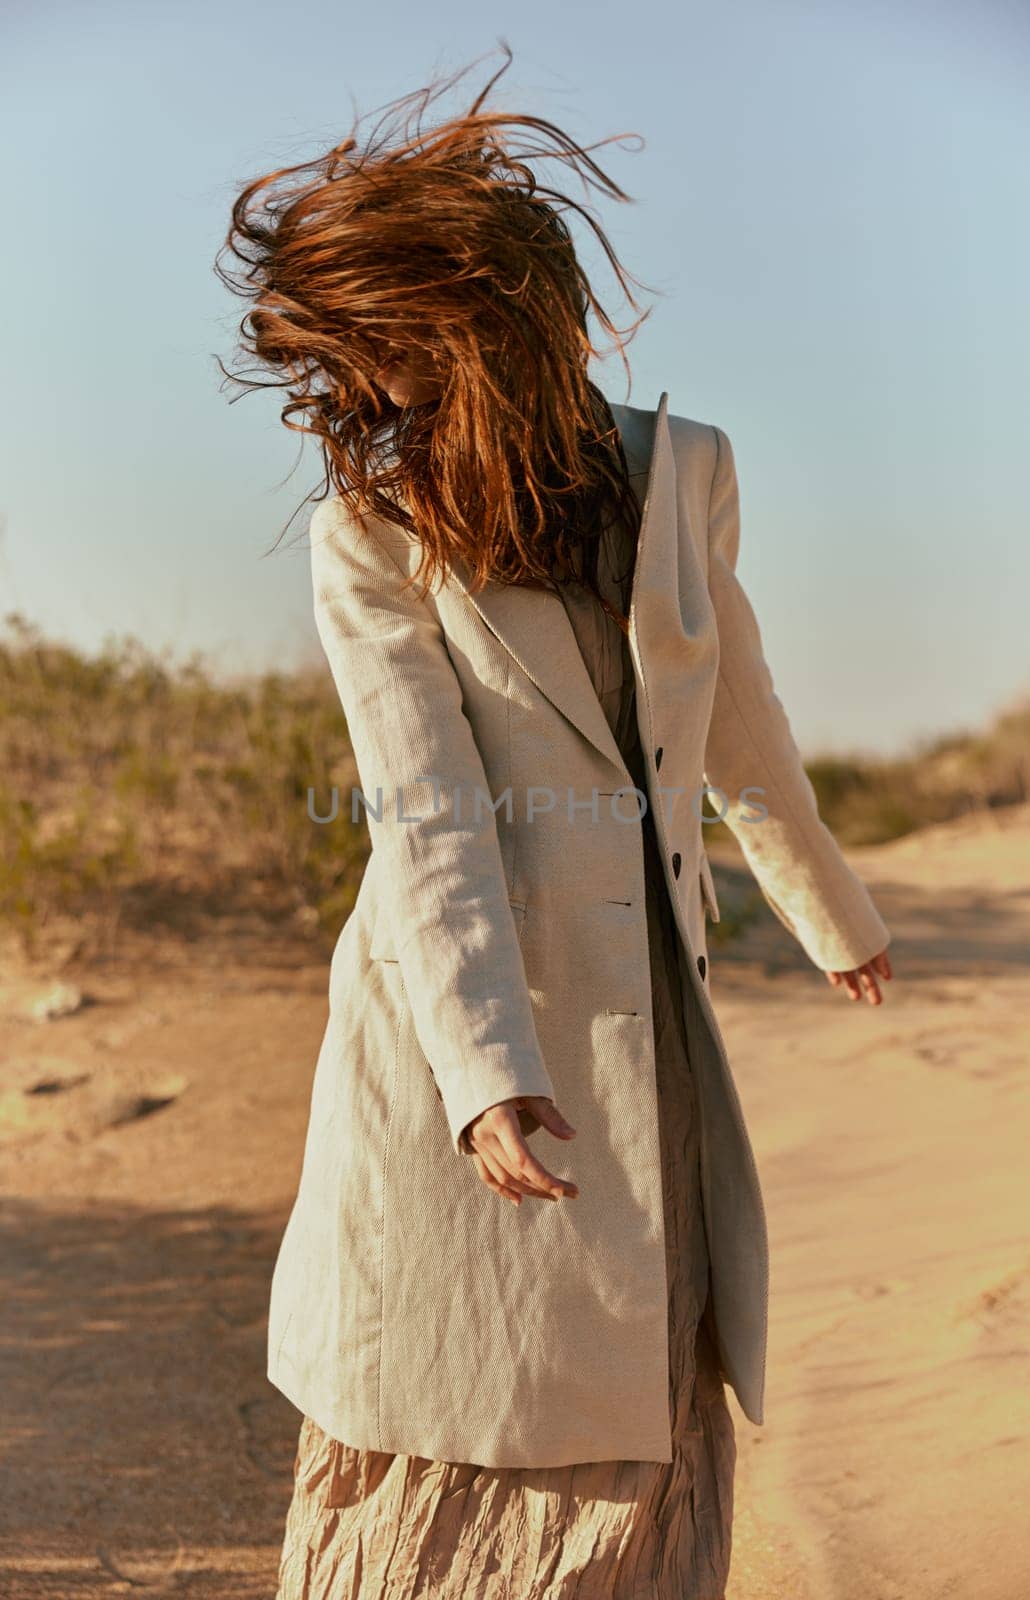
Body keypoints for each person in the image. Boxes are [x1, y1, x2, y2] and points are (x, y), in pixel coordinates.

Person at [216, 45, 892, 1600]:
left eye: (387, 353)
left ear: (477, 325)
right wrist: (483, 1076)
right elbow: (428, 815)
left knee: (632, 1385)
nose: (370, 397)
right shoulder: (372, 531)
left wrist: (828, 909)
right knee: (466, 1391)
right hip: (460, 1041)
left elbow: (742, 713)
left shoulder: (685, 474)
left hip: (641, 1025)